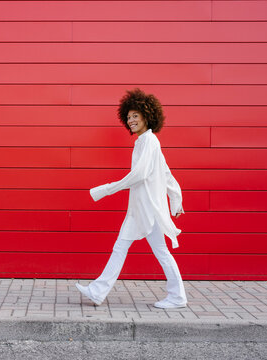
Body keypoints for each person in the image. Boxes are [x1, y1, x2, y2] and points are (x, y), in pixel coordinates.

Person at [75, 88, 187, 309]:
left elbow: (140, 174)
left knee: (154, 251)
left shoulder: (149, 141)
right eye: (128, 117)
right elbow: (167, 174)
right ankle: (98, 291)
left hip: (147, 208)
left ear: (147, 115)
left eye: (135, 115)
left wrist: (106, 189)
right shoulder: (145, 142)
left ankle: (177, 297)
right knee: (124, 247)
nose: (131, 120)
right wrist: (176, 201)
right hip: (141, 208)